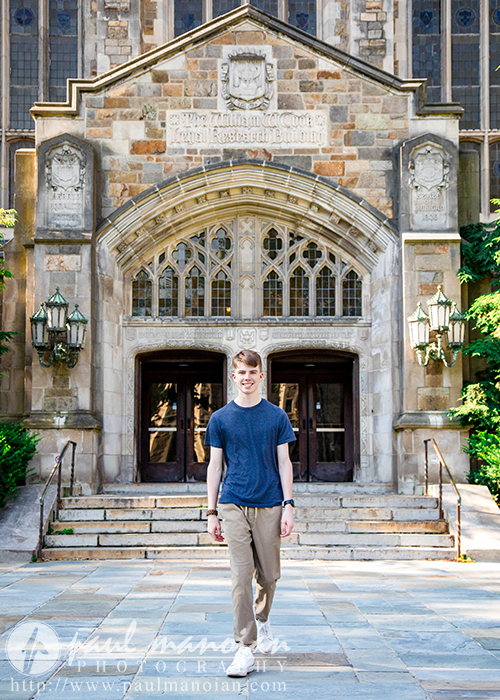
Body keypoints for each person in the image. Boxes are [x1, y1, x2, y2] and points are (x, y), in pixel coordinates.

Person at [205, 349, 295, 678]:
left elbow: (285, 463)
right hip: (232, 501)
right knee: (240, 576)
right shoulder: (220, 419)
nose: (246, 377)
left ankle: (264, 618)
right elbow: (215, 467)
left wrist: (288, 505)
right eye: (241, 372)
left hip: (270, 502)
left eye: (252, 372)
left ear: (260, 376)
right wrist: (212, 511)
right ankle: (245, 647)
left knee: (268, 576)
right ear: (234, 377)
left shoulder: (276, 417)